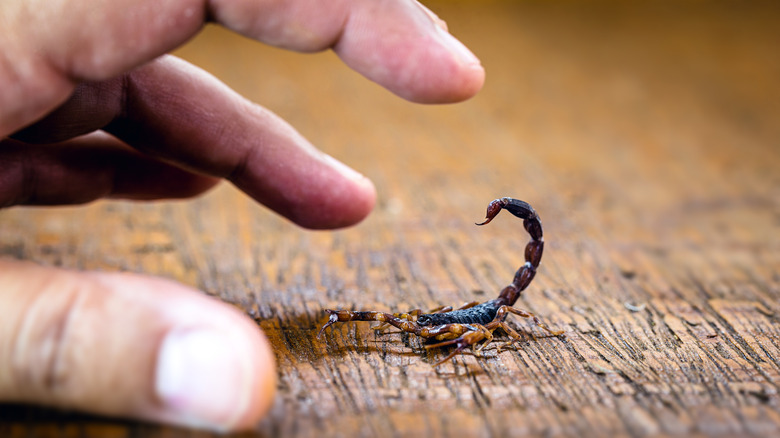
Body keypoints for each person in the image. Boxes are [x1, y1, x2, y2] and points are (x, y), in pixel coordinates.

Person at [0, 0, 484, 432]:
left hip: (483, 314)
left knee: (470, 324)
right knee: (404, 321)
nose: (437, 337)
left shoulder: (483, 323)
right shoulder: (430, 325)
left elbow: (477, 327)